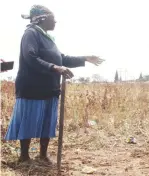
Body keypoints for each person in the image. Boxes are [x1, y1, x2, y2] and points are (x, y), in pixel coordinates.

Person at [4, 5, 105, 164]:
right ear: (42, 19)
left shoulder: (48, 38)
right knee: (29, 120)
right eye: (53, 18)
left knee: (47, 122)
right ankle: (24, 157)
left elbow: (61, 59)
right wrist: (54, 67)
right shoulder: (31, 34)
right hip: (32, 88)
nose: (56, 21)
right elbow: (30, 57)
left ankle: (43, 156)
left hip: (49, 89)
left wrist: (84, 58)